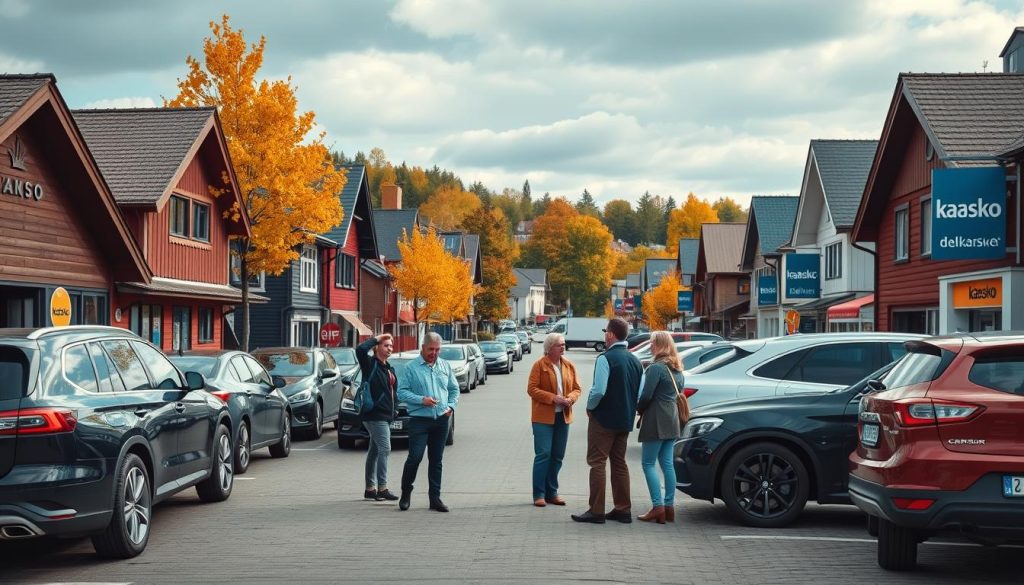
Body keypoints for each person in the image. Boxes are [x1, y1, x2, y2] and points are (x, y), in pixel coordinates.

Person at [572, 317, 643, 524]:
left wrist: (590, 407)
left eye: (606, 332)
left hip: (603, 419)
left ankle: (596, 511)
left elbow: (599, 390)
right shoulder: (635, 360)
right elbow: (639, 393)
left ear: (611, 335)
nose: (605, 335)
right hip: (625, 419)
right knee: (619, 463)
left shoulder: (605, 358)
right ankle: (623, 508)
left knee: (597, 463)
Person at [397, 332, 460, 512]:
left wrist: (451, 407)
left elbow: (454, 390)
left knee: (436, 460)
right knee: (415, 457)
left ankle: (435, 498)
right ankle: (406, 493)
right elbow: (401, 392)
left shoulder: (444, 366)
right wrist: (421, 400)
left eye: (437, 349)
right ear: (423, 348)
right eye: (431, 349)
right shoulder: (411, 368)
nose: (434, 353)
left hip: (441, 420)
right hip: (419, 420)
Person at [526, 332, 582, 507]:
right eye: (559, 345)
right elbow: (532, 389)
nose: (563, 347)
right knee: (544, 454)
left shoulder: (569, 365)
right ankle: (539, 494)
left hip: (563, 416)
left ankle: (552, 492)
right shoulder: (539, 365)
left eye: (564, 344)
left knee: (558, 455)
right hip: (543, 418)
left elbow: (577, 388)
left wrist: (570, 399)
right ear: (550, 348)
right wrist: (553, 398)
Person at [635, 331, 685, 524]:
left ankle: (657, 507)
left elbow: (646, 395)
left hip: (656, 418)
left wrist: (638, 409)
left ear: (661, 345)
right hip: (672, 419)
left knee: (648, 463)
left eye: (653, 343)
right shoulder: (677, 368)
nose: (651, 347)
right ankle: (669, 506)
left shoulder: (656, 368)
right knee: (667, 464)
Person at [356, 333, 399, 502]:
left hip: (386, 415)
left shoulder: (389, 368)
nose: (389, 348)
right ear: (377, 348)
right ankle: (382, 488)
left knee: (374, 451)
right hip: (374, 414)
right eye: (385, 345)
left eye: (391, 346)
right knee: (385, 448)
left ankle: (370, 489)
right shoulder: (370, 364)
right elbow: (360, 350)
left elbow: (393, 392)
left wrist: (395, 409)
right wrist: (378, 337)